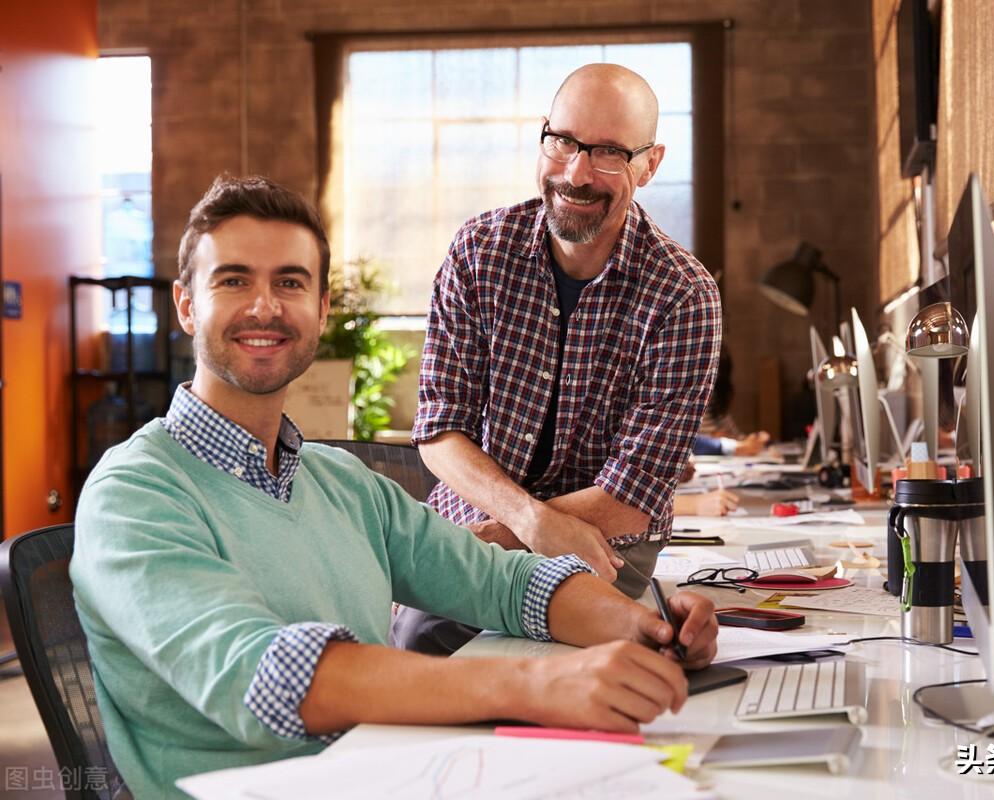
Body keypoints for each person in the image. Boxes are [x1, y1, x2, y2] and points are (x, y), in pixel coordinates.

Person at [70, 175, 719, 800]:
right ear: (187, 304)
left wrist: (648, 630)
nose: (264, 306)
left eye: (290, 282)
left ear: (321, 309)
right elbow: (272, 676)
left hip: (391, 774)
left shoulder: (342, 484)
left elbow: (503, 581)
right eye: (233, 280)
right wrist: (537, 683)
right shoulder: (134, 495)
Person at [411, 63, 722, 611]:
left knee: (570, 666)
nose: (576, 174)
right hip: (473, 522)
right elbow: (441, 430)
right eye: (563, 142)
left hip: (607, 542)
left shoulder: (683, 296)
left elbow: (634, 493)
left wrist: (517, 540)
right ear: (544, 134)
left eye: (609, 153)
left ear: (649, 165)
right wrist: (530, 521)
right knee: (418, 648)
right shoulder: (479, 252)